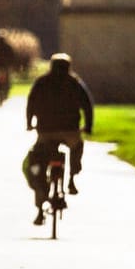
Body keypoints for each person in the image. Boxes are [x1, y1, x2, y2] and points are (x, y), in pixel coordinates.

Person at [24, 52, 94, 196]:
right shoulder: (75, 83)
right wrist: (88, 126)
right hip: (70, 131)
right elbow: (87, 105)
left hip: (46, 131)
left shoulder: (41, 82)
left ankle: (41, 186)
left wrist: (30, 123)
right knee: (77, 147)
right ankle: (72, 177)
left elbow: (31, 103)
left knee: (39, 156)